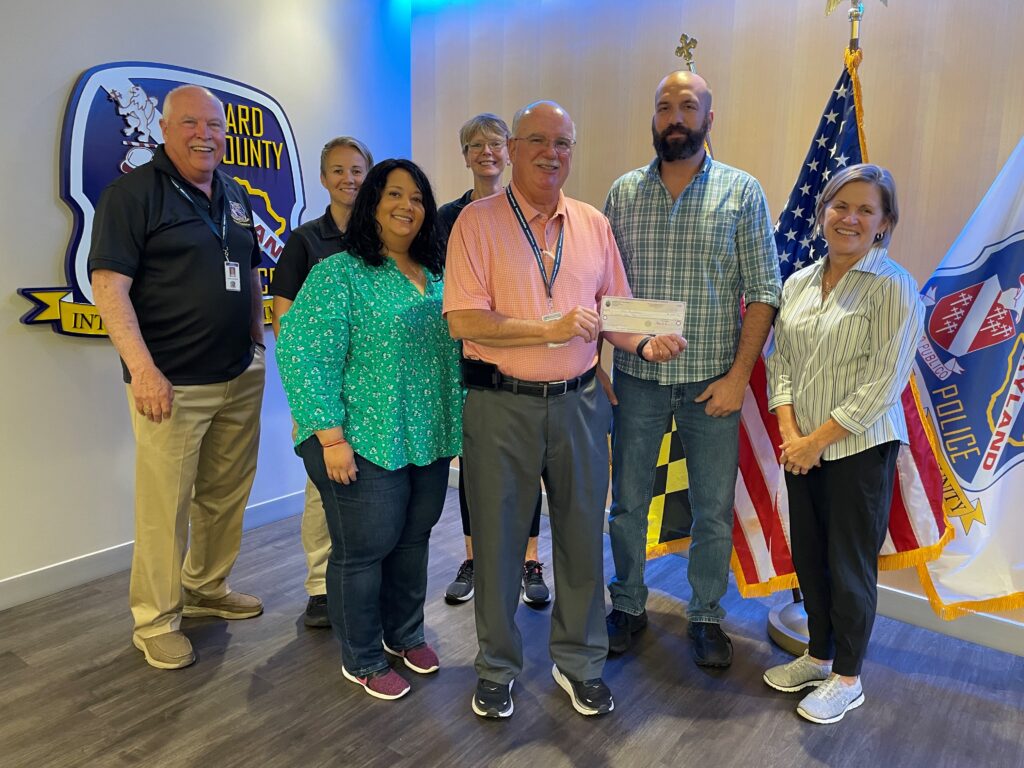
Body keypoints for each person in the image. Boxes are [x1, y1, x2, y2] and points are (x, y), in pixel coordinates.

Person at [444, 100, 685, 719]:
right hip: (502, 407)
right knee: (498, 545)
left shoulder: (591, 224)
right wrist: (545, 330)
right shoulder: (476, 223)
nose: (553, 153)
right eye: (539, 141)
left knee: (581, 536)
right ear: (516, 147)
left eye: (565, 143)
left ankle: (579, 662)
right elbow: (463, 320)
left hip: (580, 405)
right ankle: (496, 667)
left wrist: (645, 343)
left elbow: (616, 311)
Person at [602, 71, 781, 666]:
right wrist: (607, 364)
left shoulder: (742, 191)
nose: (674, 117)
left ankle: (706, 616)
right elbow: (604, 289)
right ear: (653, 119)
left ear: (710, 117)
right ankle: (626, 603)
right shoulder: (623, 193)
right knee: (627, 503)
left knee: (712, 508)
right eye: (664, 107)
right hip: (636, 381)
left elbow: (763, 293)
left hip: (713, 386)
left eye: (688, 106)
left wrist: (737, 380)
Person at [89, 85, 266, 670]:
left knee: (224, 496)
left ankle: (207, 590)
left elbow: (247, 268)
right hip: (170, 384)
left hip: (238, 376)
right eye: (190, 123)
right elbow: (110, 287)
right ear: (164, 129)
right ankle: (155, 621)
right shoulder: (132, 194)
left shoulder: (234, 194)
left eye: (214, 125)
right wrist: (142, 370)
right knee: (165, 508)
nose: (204, 134)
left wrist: (253, 339)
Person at [277, 158, 462, 701]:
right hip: (360, 439)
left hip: (425, 437)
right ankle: (360, 656)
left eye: (418, 197)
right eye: (394, 195)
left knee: (413, 541)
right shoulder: (341, 272)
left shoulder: (436, 273)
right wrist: (329, 437)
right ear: (372, 204)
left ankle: (404, 635)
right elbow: (302, 351)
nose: (408, 206)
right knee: (363, 551)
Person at [763, 163, 923, 724]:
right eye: (840, 205)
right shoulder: (799, 283)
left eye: (865, 210)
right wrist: (790, 436)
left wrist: (817, 442)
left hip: (858, 450)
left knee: (850, 565)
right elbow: (779, 364)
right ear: (822, 210)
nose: (849, 218)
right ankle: (818, 654)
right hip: (800, 447)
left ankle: (848, 677)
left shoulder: (894, 286)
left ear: (884, 223)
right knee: (809, 557)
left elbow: (885, 381)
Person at [437, 113, 549, 607]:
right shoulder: (445, 219)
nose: (486, 151)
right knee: (473, 466)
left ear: (510, 152)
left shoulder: (527, 212)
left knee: (528, 467)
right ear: (465, 155)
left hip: (521, 358)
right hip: (466, 359)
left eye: (495, 143)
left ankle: (530, 561)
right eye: (475, 143)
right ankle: (474, 558)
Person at [271, 136, 374, 628]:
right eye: (338, 170)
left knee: (373, 489)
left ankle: (366, 583)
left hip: (376, 389)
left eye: (357, 170)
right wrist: (307, 393)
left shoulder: (386, 239)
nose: (348, 179)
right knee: (323, 489)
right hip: (325, 391)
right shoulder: (305, 241)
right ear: (323, 177)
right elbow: (284, 320)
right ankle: (319, 585)